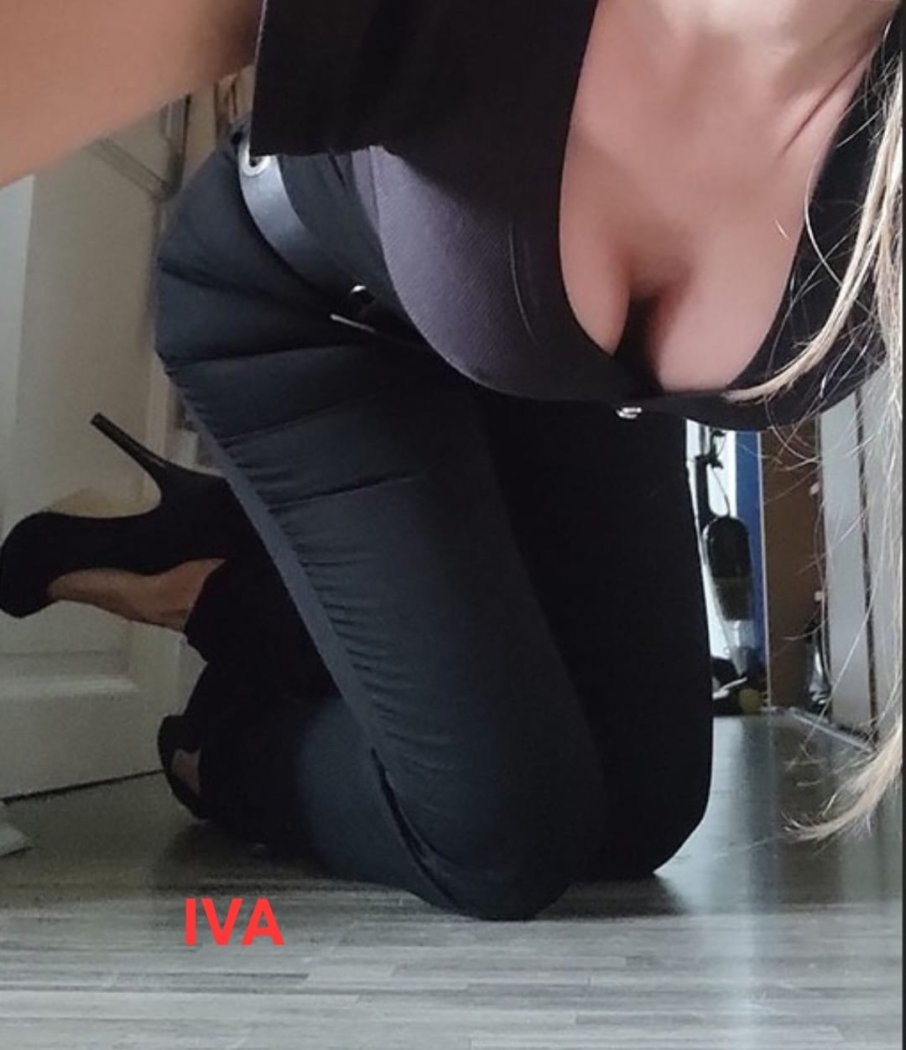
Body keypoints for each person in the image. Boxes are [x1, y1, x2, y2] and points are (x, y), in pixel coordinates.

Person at [1, 0, 901, 918]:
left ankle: (252, 558)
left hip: (555, 369)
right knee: (503, 841)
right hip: (308, 328)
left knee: (639, 816)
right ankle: (219, 688)